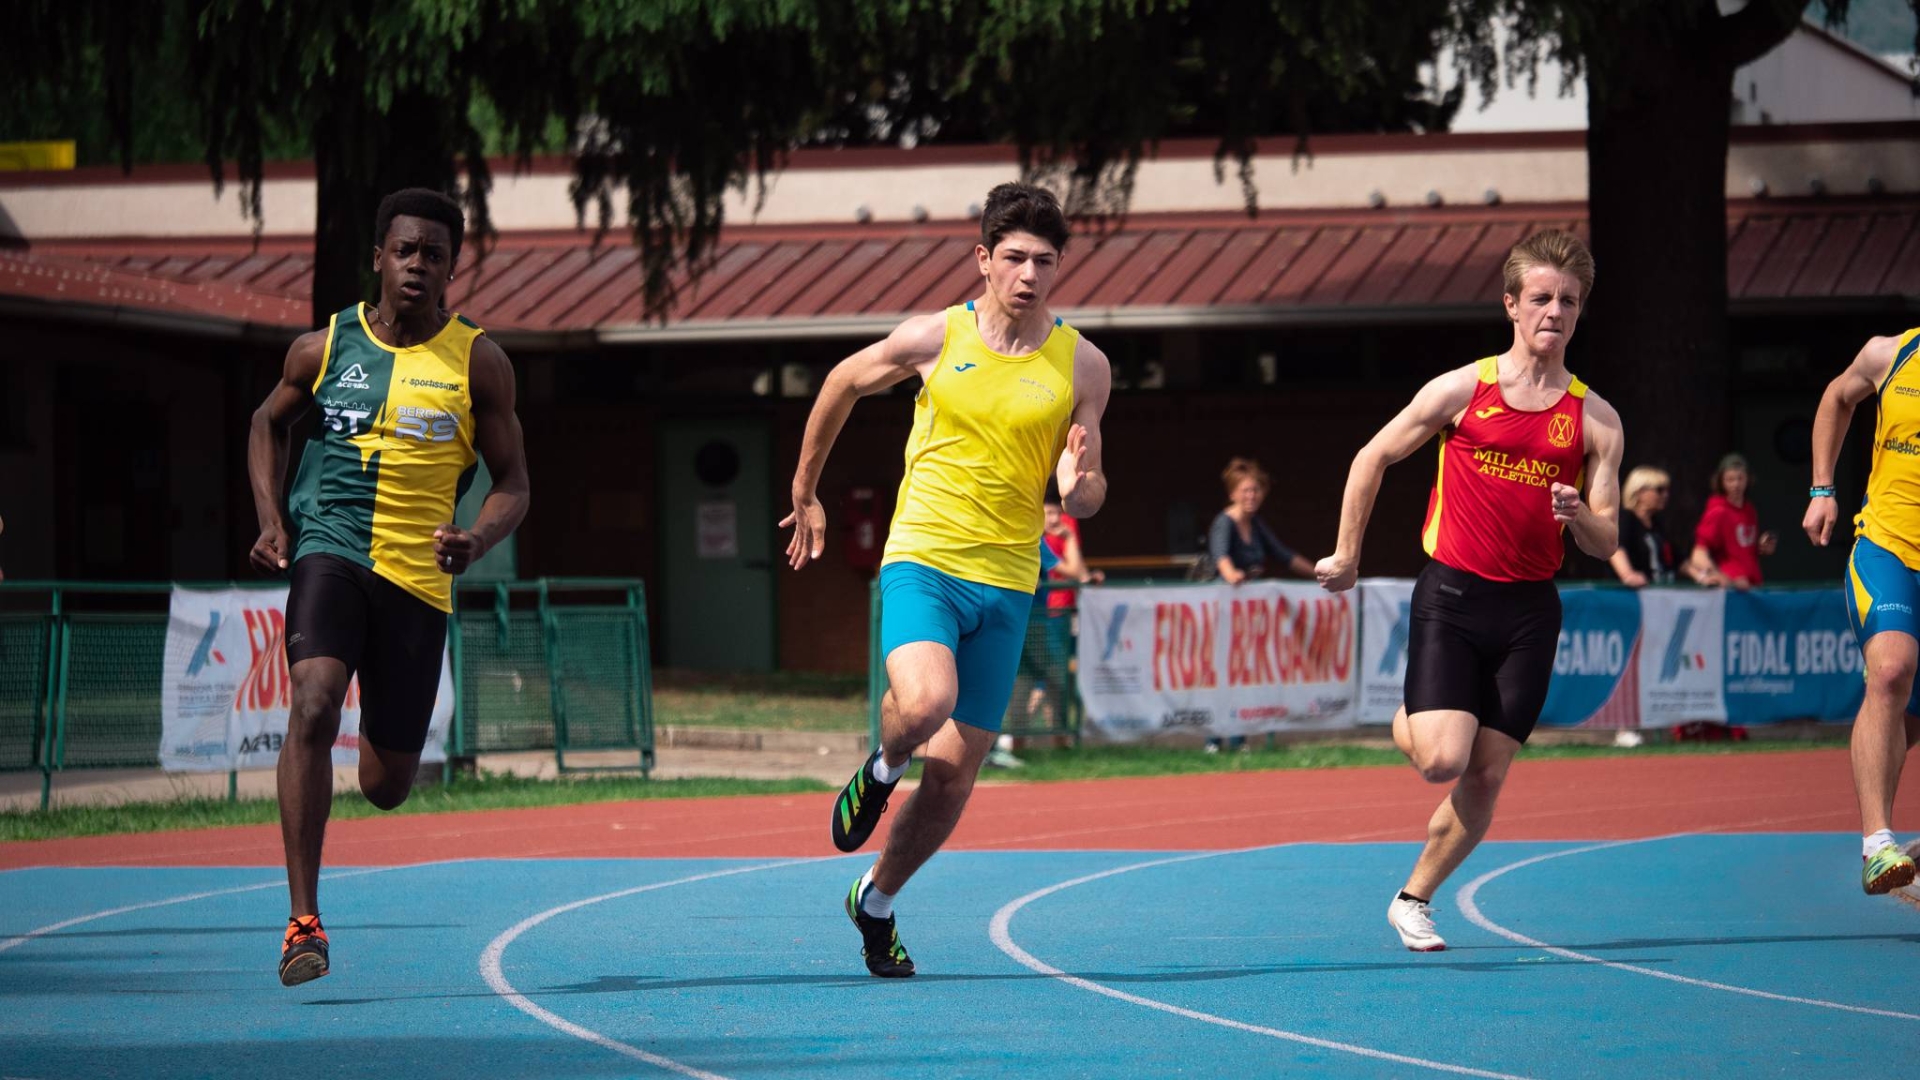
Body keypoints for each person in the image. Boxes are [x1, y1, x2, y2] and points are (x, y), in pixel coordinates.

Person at [783, 181, 1111, 977]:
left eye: (1045, 261)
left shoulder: (1084, 364)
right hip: (925, 557)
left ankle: (877, 901)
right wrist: (804, 489)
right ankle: (879, 768)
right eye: (1014, 259)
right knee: (925, 704)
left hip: (1008, 581)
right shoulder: (937, 336)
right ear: (983, 260)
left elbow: (1092, 489)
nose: (1029, 275)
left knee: (956, 777)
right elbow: (840, 383)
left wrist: (1080, 482)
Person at [247, 187, 531, 986]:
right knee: (311, 701)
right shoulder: (323, 347)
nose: (417, 266)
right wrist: (273, 517)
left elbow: (515, 481)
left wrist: (477, 536)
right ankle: (303, 923)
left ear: (451, 267)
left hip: (417, 580)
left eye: (433, 255)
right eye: (404, 251)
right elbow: (267, 423)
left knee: (386, 785)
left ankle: (381, 756)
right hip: (330, 551)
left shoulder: (480, 361)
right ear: (378, 256)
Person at [1314, 229, 1624, 951]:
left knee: (1486, 776)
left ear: (1580, 314)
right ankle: (1416, 718)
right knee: (1441, 760)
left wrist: (1582, 517)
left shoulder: (1597, 421)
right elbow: (1373, 456)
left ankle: (1414, 898)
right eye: (1541, 297)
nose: (1554, 311)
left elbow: (1607, 542)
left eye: (1569, 301)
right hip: (1453, 595)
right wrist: (1348, 554)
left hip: (1529, 612)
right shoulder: (1463, 389)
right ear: (1512, 304)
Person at [1804, 327, 1920, 895]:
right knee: (1891, 670)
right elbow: (1836, 399)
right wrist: (1821, 490)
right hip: (1888, 548)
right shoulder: (1891, 352)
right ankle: (1877, 843)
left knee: (1910, 718)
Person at [1209, 457, 1315, 584]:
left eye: (1255, 490)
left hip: (1252, 595)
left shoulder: (1256, 523)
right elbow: (1221, 557)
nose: (1251, 496)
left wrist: (1317, 574)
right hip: (1226, 595)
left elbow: (1284, 555)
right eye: (1245, 491)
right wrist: (1232, 575)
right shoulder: (1224, 523)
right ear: (1232, 494)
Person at [1688, 453, 1776, 589]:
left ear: (1748, 479)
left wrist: (1761, 548)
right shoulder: (1718, 511)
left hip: (1753, 584)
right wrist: (1719, 576)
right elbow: (1698, 553)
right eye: (1730, 479)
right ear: (1721, 482)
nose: (1736, 484)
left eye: (1740, 478)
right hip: (1732, 588)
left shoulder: (1749, 509)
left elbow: (1741, 548)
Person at [1608, 466, 1686, 587]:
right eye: (1659, 490)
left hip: (1657, 592)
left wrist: (1702, 576)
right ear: (1639, 492)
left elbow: (1679, 560)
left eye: (1666, 490)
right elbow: (1615, 548)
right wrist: (1628, 575)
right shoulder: (1626, 518)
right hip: (1632, 596)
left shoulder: (1657, 523)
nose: (1665, 495)